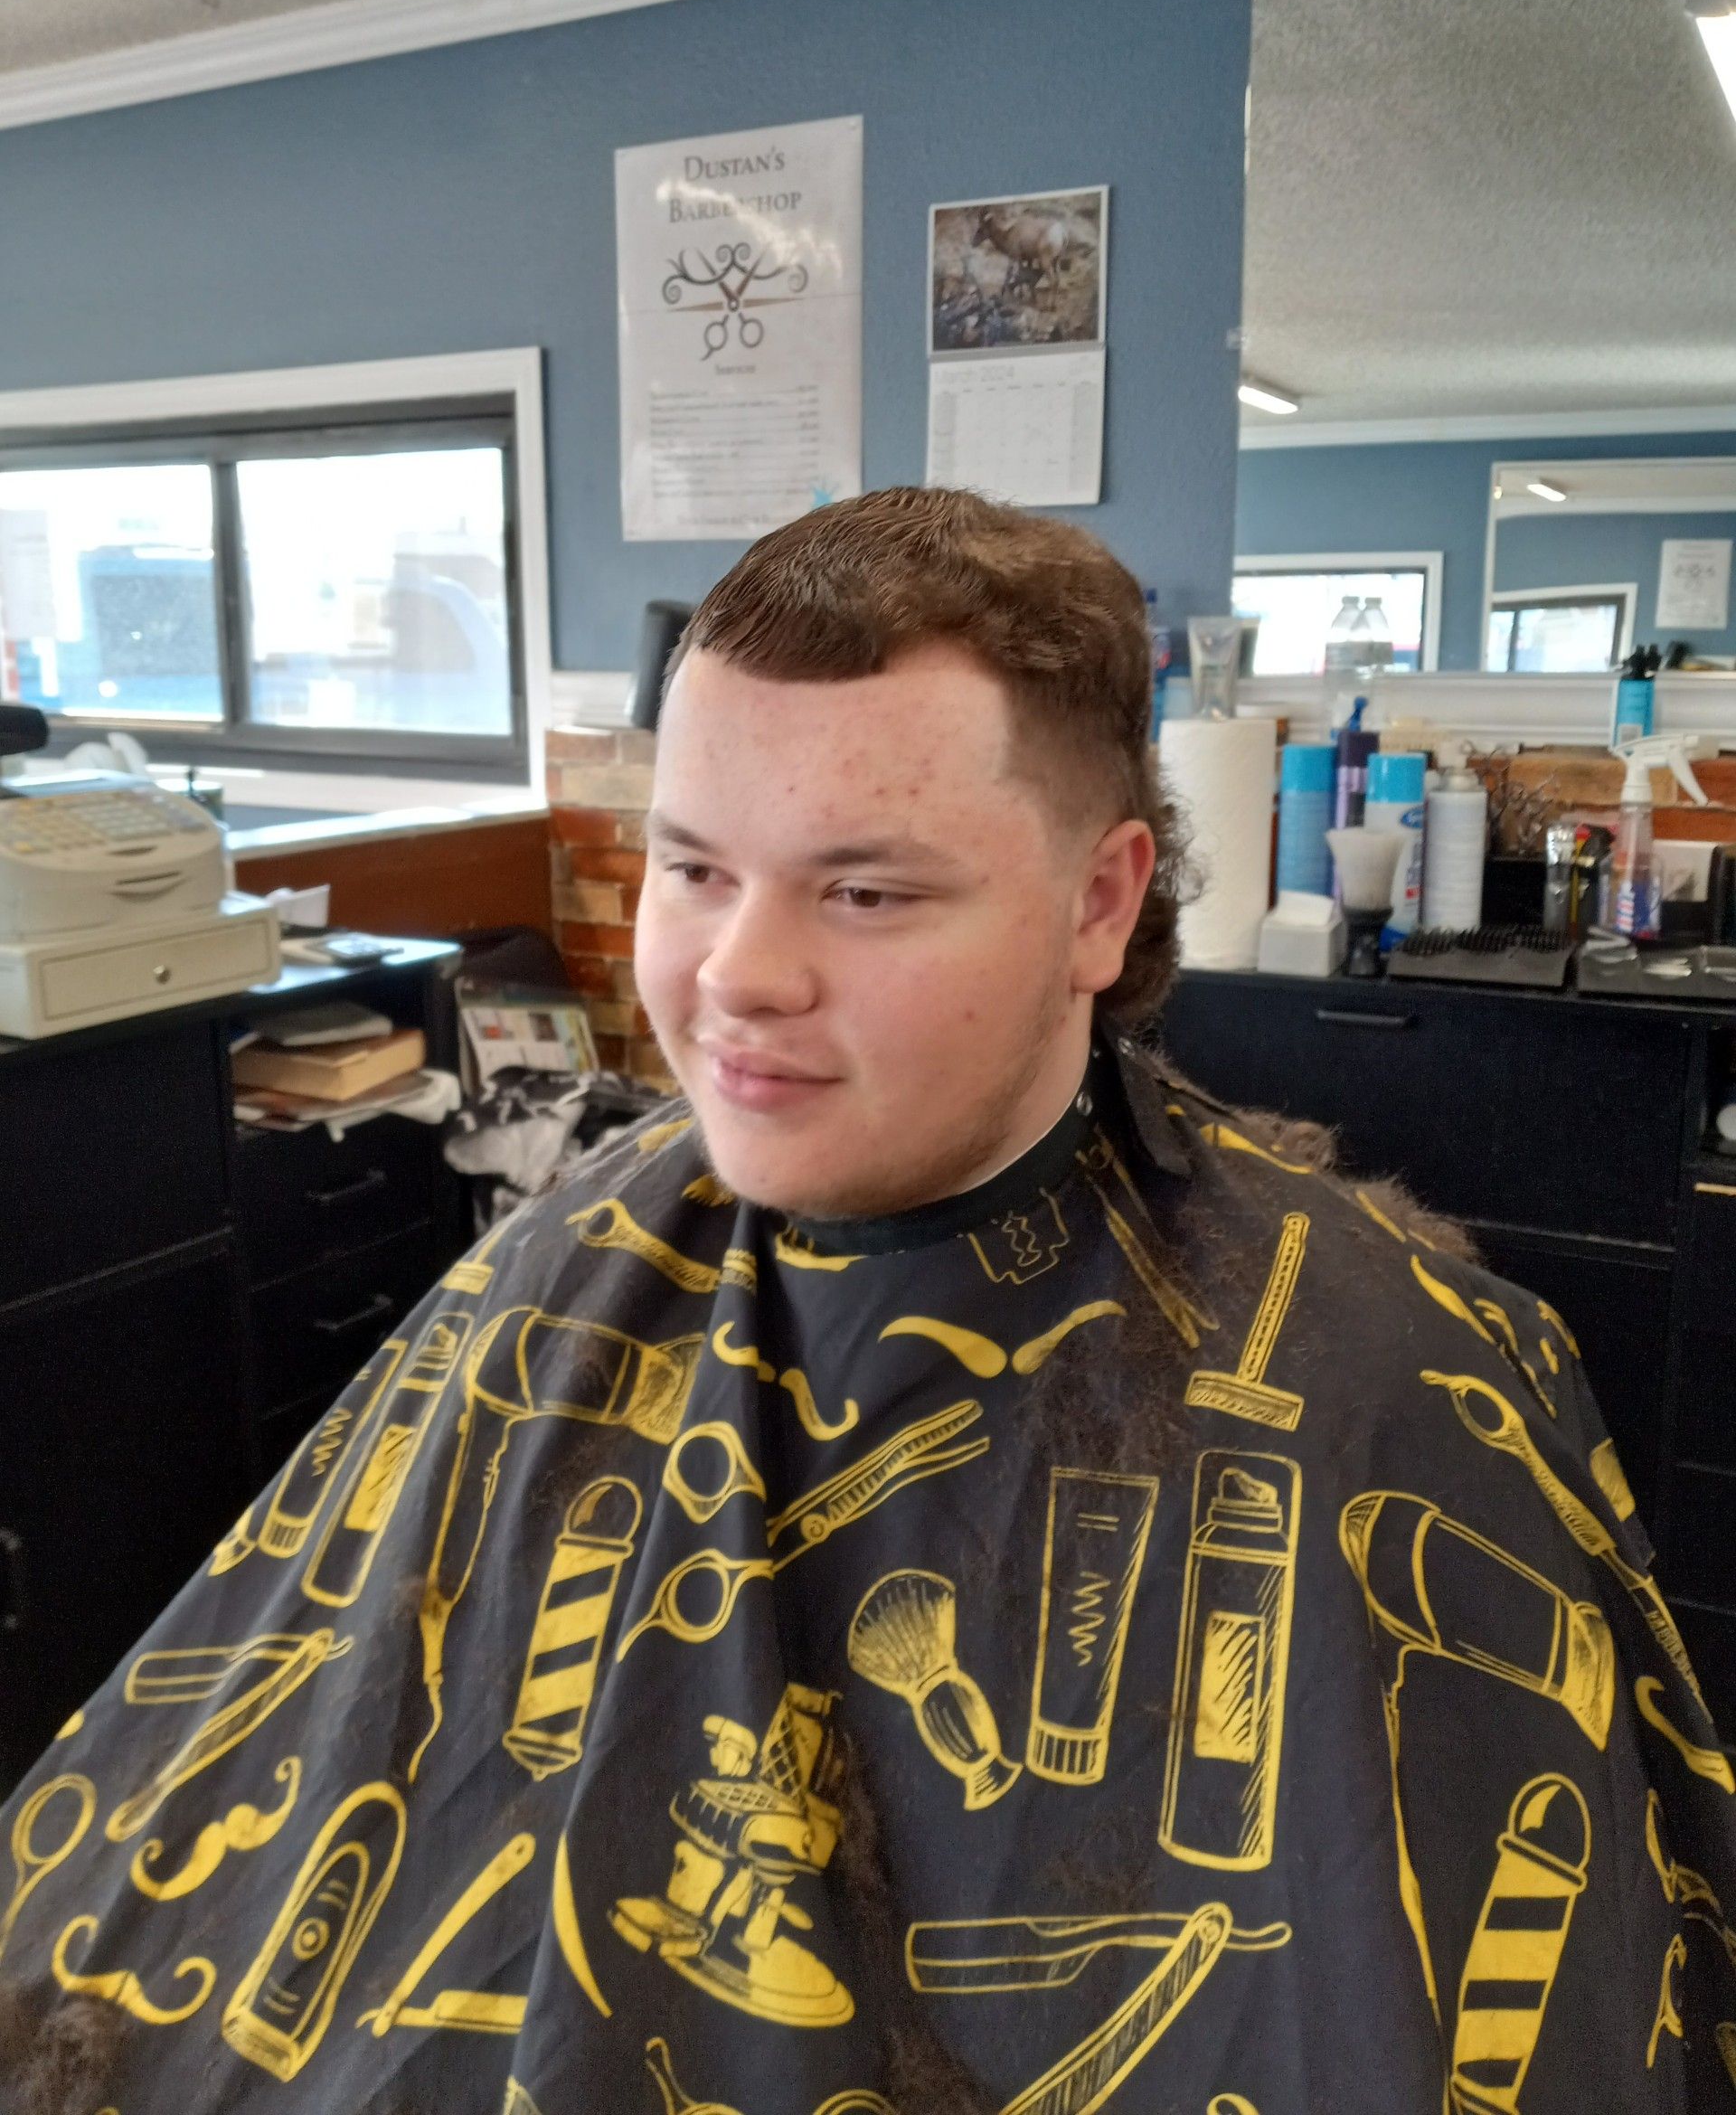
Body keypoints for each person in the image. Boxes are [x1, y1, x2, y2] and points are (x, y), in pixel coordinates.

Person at [2, 486, 1731, 2115]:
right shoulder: (572, 1258)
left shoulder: (1384, 1376)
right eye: (694, 868)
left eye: (866, 890)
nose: (736, 977)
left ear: (1100, 904)